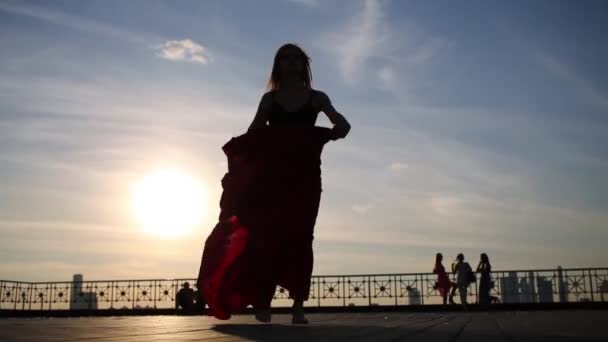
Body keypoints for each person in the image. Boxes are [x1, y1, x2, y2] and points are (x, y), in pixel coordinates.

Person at [197, 43, 350, 325]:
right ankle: (263, 301)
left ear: (304, 65)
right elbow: (254, 132)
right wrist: (240, 167)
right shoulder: (270, 100)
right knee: (266, 236)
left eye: (296, 58)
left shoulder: (317, 98)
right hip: (271, 180)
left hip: (305, 179)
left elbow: (342, 124)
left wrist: (336, 130)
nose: (290, 62)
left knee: (302, 236)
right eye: (285, 58)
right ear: (278, 65)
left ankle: (298, 306)